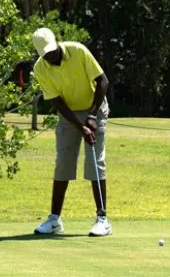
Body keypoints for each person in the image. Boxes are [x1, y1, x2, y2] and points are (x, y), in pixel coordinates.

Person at [30, 27, 111, 237]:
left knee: (94, 161)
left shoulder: (78, 50)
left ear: (57, 42)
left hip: (95, 107)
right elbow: (57, 102)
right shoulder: (40, 69)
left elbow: (103, 81)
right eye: (46, 55)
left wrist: (92, 117)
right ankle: (55, 220)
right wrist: (80, 125)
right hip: (69, 115)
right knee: (63, 163)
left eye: (53, 51)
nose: (52, 56)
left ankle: (102, 218)